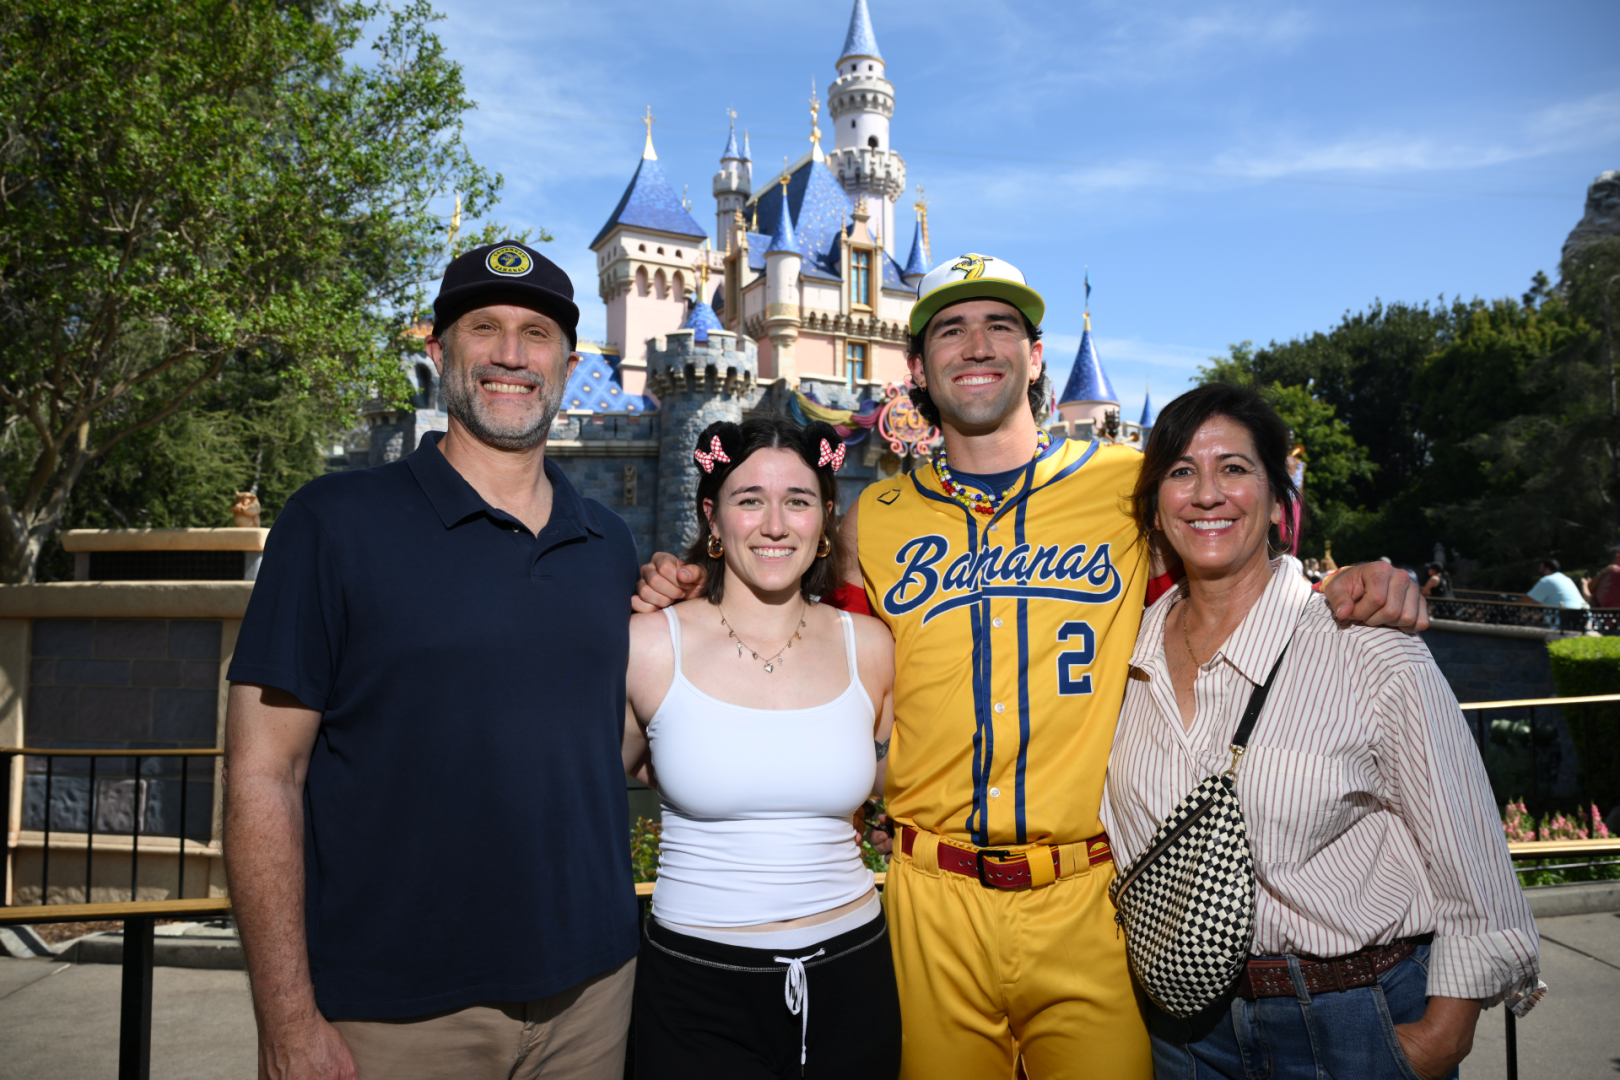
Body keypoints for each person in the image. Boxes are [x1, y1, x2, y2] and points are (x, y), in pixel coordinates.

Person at [635, 254, 1426, 1079]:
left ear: (1036, 356)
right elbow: (802, 635)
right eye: (950, 329)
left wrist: (1338, 584)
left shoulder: (1128, 488)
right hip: (926, 899)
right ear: (918, 367)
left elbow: (1226, 575)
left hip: (1088, 896)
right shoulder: (876, 517)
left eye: (999, 326)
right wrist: (691, 580)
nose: (976, 345)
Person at [224, 243, 640, 1080]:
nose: (512, 356)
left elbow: (611, 753)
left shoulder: (610, 544)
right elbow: (263, 776)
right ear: (438, 352)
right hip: (396, 1014)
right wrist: (287, 1019)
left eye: (536, 333)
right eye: (483, 328)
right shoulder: (336, 524)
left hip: (595, 998)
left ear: (568, 360)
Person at [1103, 383, 1541, 1080]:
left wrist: (1437, 1038)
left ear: (1278, 502)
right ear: (1156, 508)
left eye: (1235, 469)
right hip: (1182, 1036)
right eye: (1181, 472)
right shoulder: (1122, 654)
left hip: (1349, 1022)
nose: (1207, 493)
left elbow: (1473, 861)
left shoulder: (1366, 644)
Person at [622, 417, 900, 1079]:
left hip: (853, 976)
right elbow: (609, 774)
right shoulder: (649, 645)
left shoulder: (873, 647)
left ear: (825, 518)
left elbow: (897, 792)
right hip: (695, 988)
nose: (775, 524)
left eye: (798, 501)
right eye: (749, 499)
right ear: (712, 519)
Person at [1523, 557, 1588, 609]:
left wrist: (1513, 608)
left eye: (1541, 568)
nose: (1539, 571)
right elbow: (1536, 602)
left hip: (1568, 619)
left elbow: (1525, 601)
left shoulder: (1547, 580)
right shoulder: (1566, 579)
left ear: (1547, 569)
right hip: (1584, 616)